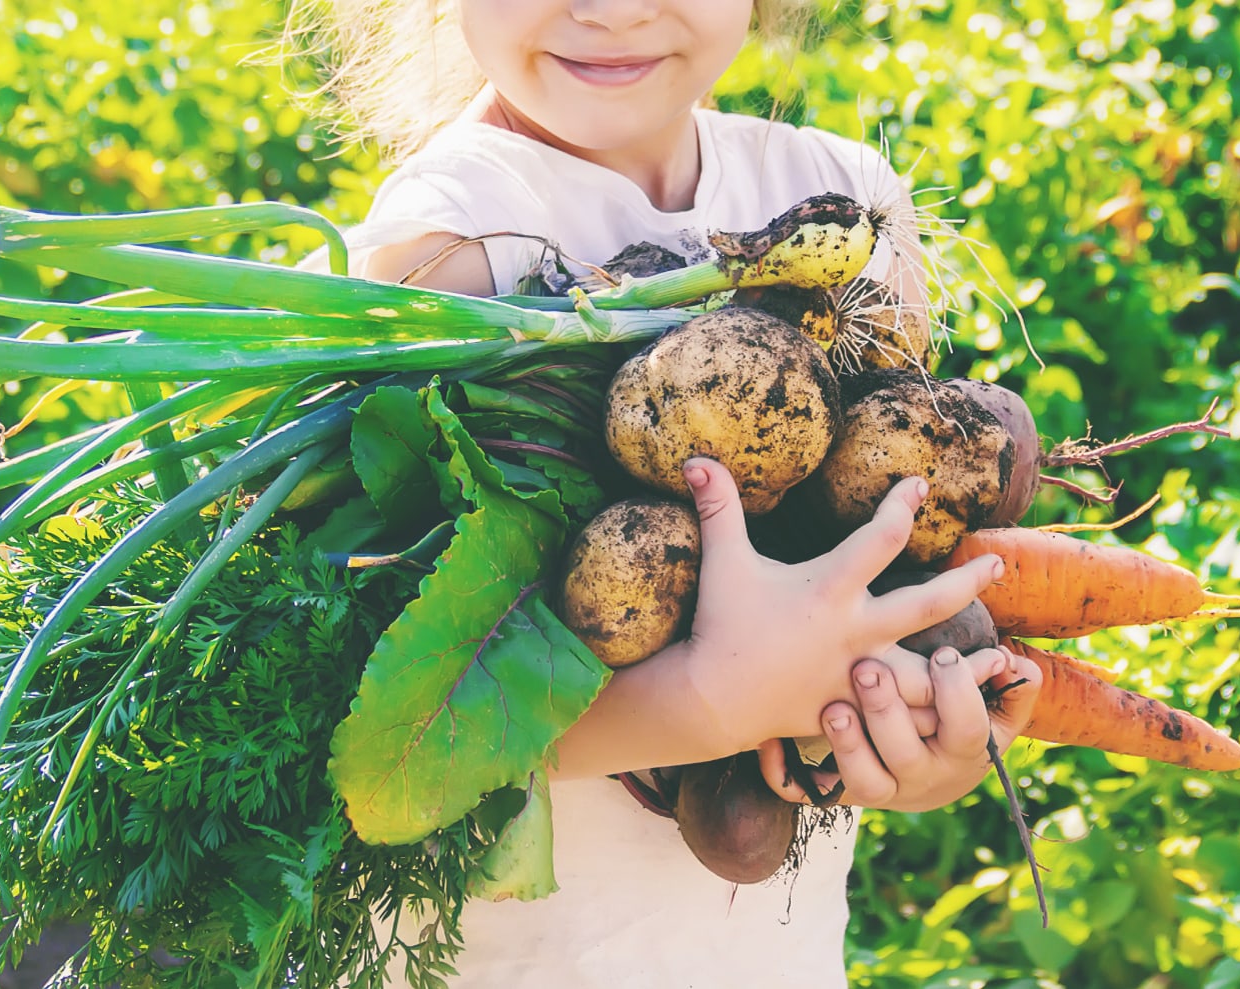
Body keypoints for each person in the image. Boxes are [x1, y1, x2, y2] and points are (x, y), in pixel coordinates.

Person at [288, 1, 1044, 985]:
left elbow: (890, 533)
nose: (610, 9)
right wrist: (705, 701)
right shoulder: (443, 253)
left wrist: (913, 734)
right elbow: (390, 726)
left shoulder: (846, 205)